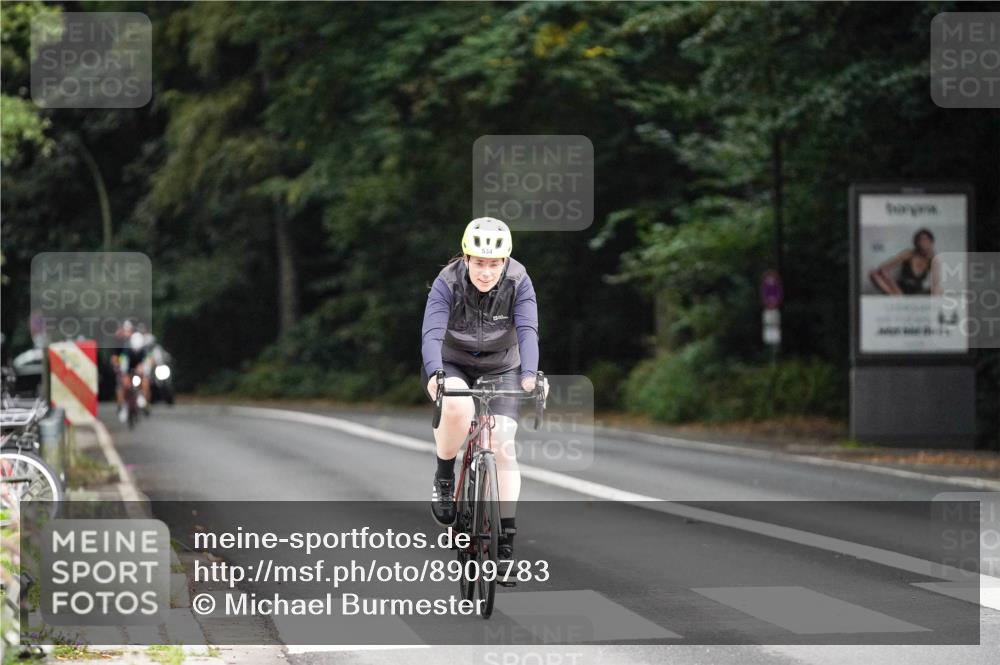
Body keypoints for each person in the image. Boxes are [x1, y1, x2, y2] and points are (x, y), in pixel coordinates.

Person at [420, 217, 540, 567]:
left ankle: (505, 534)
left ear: (504, 262)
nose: (486, 272)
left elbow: (529, 329)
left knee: (502, 441)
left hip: (503, 365)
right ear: (466, 258)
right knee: (457, 407)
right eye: (479, 263)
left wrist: (530, 375)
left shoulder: (519, 280)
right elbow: (431, 332)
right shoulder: (447, 281)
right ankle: (444, 476)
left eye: (494, 264)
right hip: (453, 362)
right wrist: (436, 374)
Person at [869, 228, 940, 296]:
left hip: (916, 291)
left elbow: (938, 280)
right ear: (916, 242)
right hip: (899, 288)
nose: (923, 242)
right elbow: (884, 266)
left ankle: (898, 297)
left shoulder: (933, 259)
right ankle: (899, 296)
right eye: (920, 240)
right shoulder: (909, 254)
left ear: (931, 242)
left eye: (926, 240)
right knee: (873, 274)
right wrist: (887, 277)